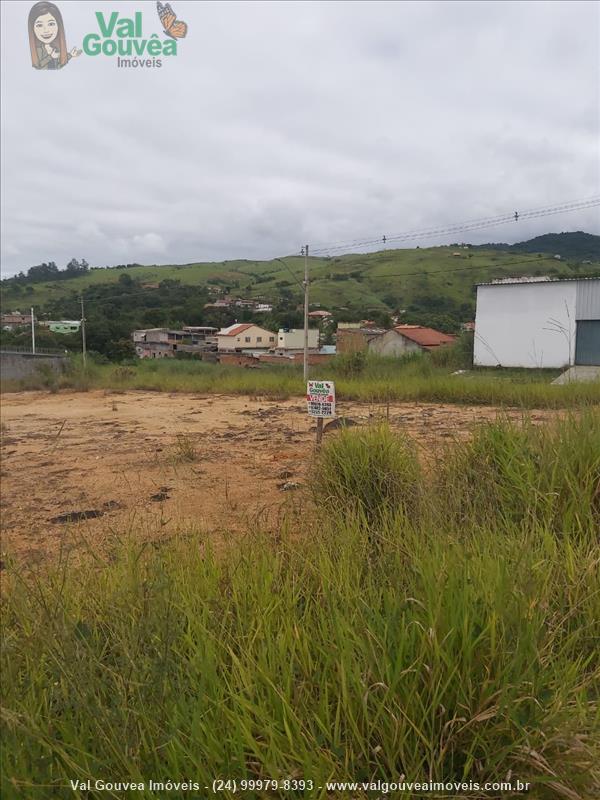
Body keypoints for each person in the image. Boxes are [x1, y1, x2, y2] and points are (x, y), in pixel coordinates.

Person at [28, 1, 81, 70]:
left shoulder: (55, 47)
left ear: (58, 26)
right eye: (39, 25)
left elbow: (58, 67)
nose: (46, 30)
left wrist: (71, 55)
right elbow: (38, 66)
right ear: (32, 28)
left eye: (51, 24)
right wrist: (50, 56)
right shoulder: (38, 49)